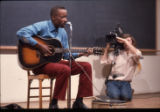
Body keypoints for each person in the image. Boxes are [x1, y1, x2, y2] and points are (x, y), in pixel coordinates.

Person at [16, 6, 93, 109]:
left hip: (55, 63)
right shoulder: (43, 26)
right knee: (65, 69)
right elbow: (21, 33)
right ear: (53, 17)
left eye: (66, 17)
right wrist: (40, 46)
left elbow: (65, 55)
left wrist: (81, 54)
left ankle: (78, 102)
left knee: (86, 66)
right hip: (39, 64)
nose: (65, 20)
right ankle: (53, 103)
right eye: (62, 17)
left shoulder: (63, 32)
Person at [100, 34, 142, 101]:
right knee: (115, 97)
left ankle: (128, 91)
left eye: (128, 40)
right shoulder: (117, 52)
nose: (126, 42)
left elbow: (139, 54)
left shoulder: (134, 54)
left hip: (125, 82)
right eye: (125, 40)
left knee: (126, 98)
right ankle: (109, 90)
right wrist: (107, 49)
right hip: (113, 81)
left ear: (132, 42)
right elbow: (104, 62)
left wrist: (125, 41)